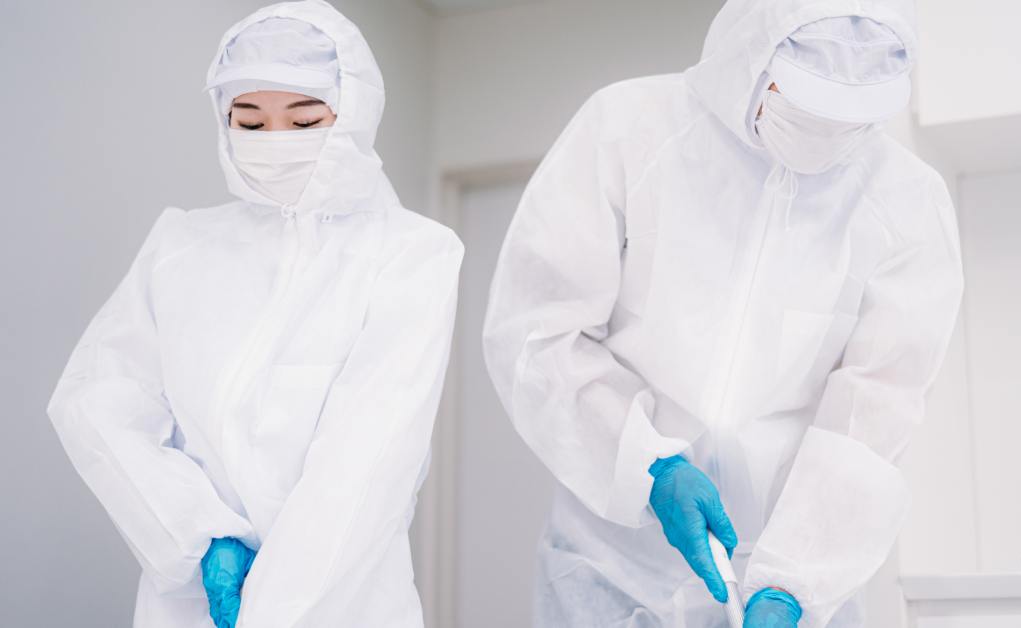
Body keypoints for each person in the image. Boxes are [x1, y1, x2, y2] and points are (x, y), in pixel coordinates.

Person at [481, 0, 963, 626]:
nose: (822, 134)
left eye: (849, 119)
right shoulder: (628, 130)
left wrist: (794, 580)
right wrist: (647, 464)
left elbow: (876, 408)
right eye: (805, 105)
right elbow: (539, 331)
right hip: (612, 564)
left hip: (788, 569)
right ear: (751, 59)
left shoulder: (907, 203)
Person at [47, 2, 462, 626]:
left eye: (304, 120)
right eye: (250, 121)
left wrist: (270, 611)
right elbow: (94, 401)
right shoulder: (181, 246)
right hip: (188, 597)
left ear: (352, 116)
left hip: (343, 601)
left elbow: (366, 464)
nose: (275, 143)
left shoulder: (410, 254)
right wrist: (196, 533)